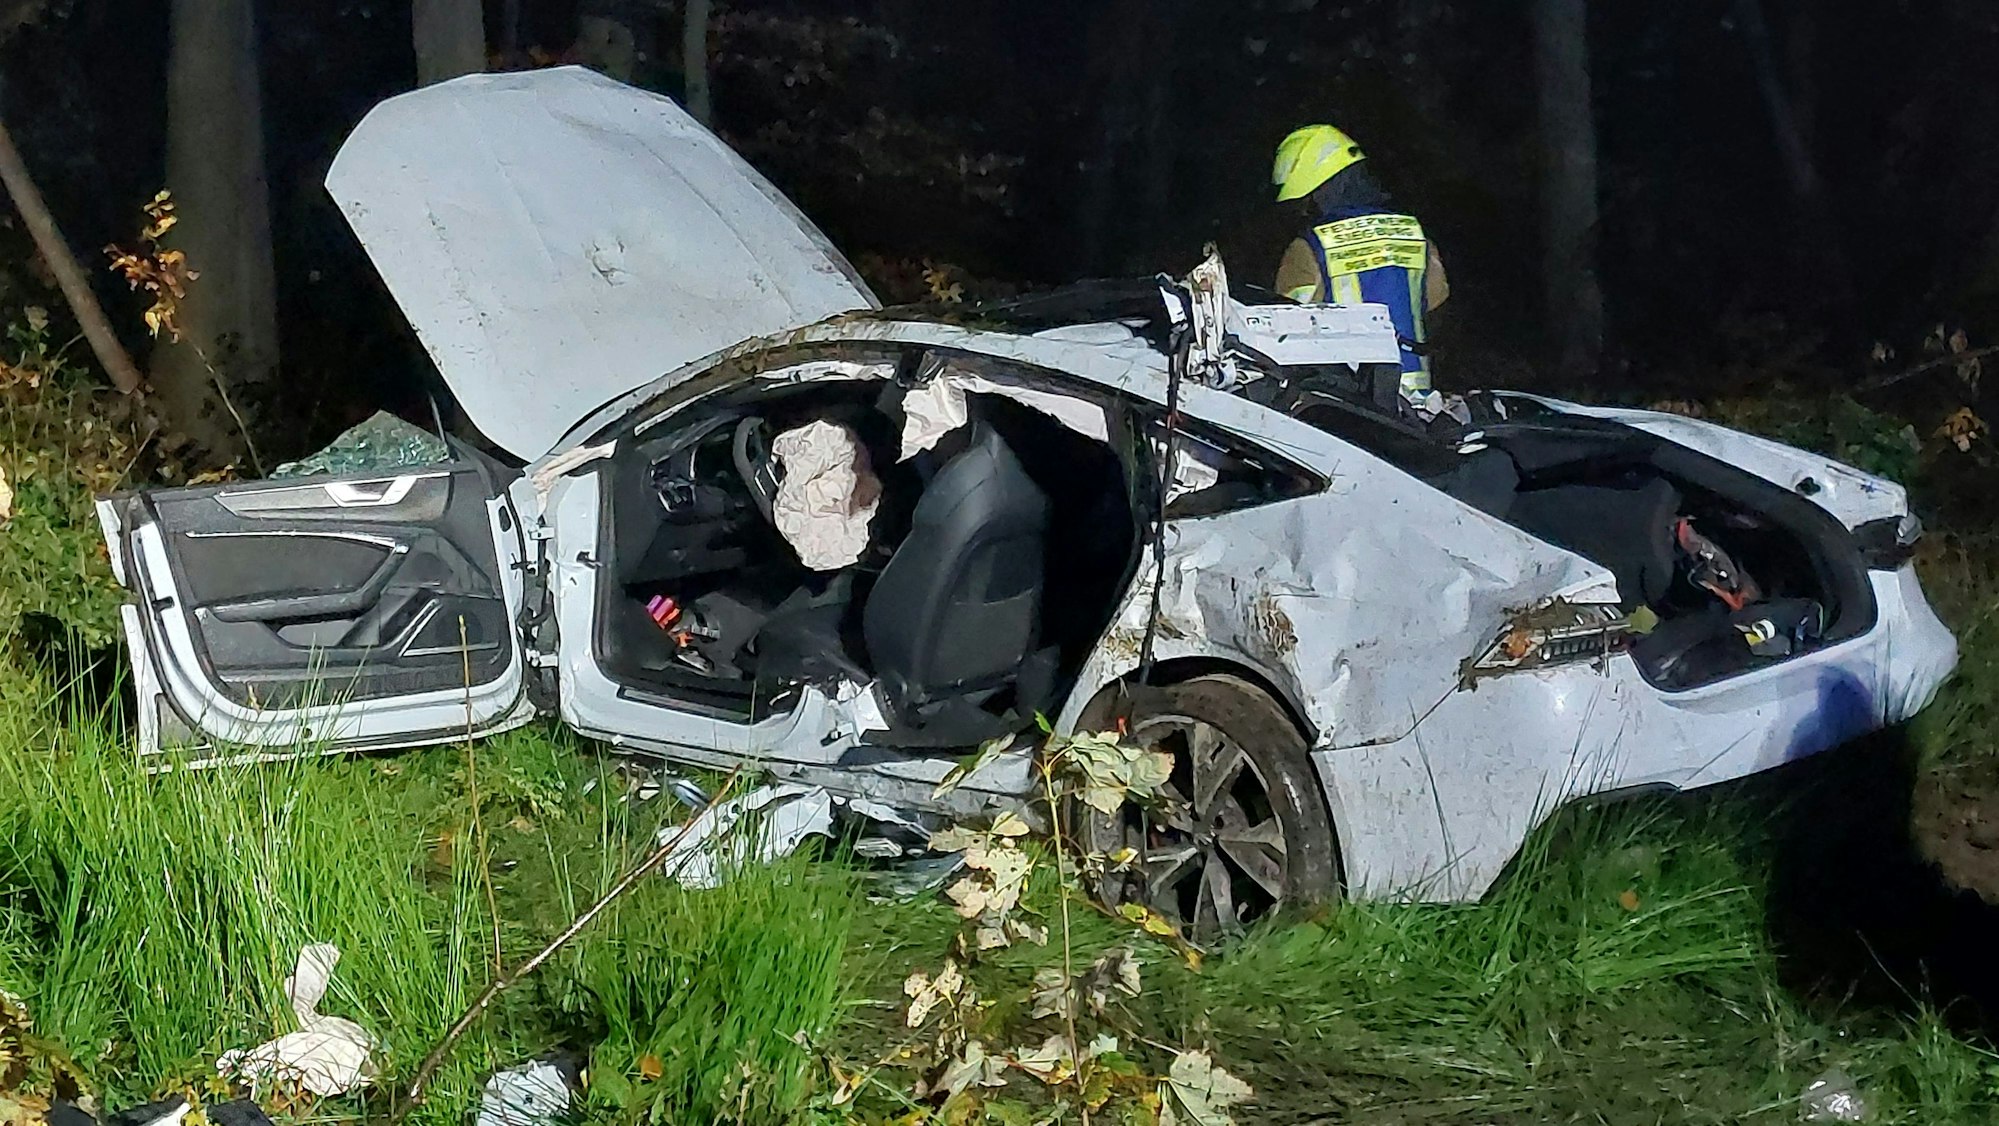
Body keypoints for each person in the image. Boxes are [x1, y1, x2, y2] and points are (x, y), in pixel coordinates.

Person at [1272, 124, 1449, 398]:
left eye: (1303, 202)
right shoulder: (1415, 236)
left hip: (1348, 409)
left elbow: (1284, 332)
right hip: (1418, 405)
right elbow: (1436, 309)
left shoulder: (1309, 247)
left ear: (1316, 192)